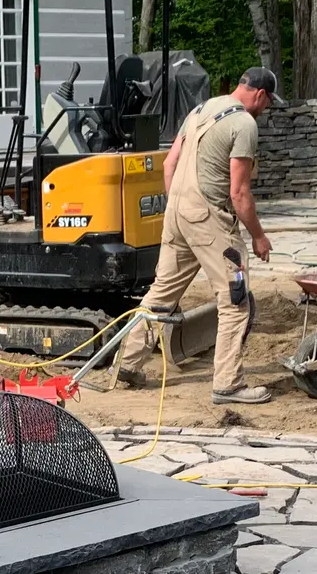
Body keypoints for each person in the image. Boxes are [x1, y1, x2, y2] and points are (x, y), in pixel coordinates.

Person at [116, 65, 280, 405]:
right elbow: (239, 193)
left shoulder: (200, 110)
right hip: (208, 220)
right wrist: (258, 237)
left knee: (160, 294)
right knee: (235, 300)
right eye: (268, 103)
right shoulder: (244, 124)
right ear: (260, 94)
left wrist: (179, 207)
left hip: (176, 214)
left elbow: (168, 165)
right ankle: (228, 385)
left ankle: (127, 366)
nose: (266, 110)